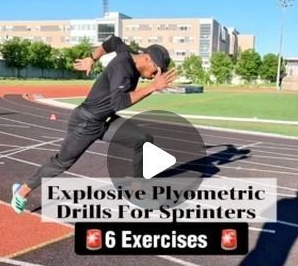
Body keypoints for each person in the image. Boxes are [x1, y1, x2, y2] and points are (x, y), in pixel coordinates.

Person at [11, 35, 175, 213]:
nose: (156, 76)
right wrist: (152, 87)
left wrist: (92, 58)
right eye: (156, 70)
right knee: (61, 163)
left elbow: (113, 41)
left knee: (142, 139)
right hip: (85, 123)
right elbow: (119, 103)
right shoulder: (123, 69)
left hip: (105, 121)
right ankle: (21, 192)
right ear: (147, 59)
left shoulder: (128, 54)